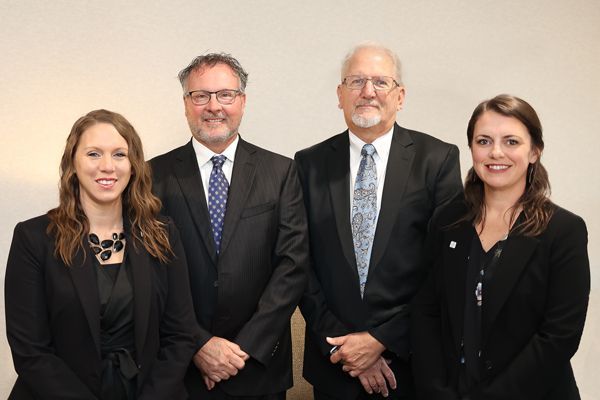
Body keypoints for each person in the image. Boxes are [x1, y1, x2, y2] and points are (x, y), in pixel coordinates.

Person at [295, 41, 463, 399]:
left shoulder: (437, 160)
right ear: (340, 95)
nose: (367, 92)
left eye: (380, 82)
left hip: (410, 362)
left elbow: (446, 267)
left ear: (400, 96)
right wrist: (343, 348)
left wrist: (381, 340)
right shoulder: (308, 164)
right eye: (355, 81)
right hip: (334, 365)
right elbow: (299, 263)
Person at [5, 109, 197, 399]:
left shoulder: (163, 234)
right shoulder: (33, 239)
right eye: (94, 154)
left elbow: (180, 336)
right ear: (73, 161)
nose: (108, 166)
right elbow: (31, 351)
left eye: (120, 154)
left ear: (133, 165)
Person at [149, 53, 308, 399]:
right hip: (180, 367)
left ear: (242, 101)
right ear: (186, 103)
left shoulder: (280, 173)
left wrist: (245, 348)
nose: (213, 106)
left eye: (225, 94)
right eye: (200, 95)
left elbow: (293, 266)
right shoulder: (151, 177)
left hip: (258, 366)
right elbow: (149, 274)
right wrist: (198, 343)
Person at [410, 94, 590, 400]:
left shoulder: (564, 231)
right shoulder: (447, 220)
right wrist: (436, 390)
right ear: (471, 148)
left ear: (535, 151)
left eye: (511, 142)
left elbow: (559, 336)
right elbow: (425, 311)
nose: (496, 153)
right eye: (483, 141)